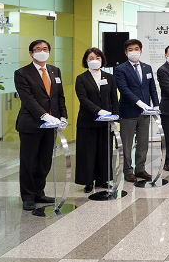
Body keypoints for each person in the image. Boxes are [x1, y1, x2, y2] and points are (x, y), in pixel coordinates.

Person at [14, 39, 68, 211]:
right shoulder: (22, 73)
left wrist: (63, 116)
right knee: (29, 162)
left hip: (51, 125)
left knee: (45, 161)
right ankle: (28, 196)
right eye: (38, 49)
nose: (42, 51)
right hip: (31, 124)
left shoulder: (54, 70)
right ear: (31, 53)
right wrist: (44, 115)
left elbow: (59, 96)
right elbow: (27, 99)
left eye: (45, 49)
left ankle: (39, 192)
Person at [75, 47, 119, 193]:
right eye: (91, 58)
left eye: (97, 58)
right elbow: (83, 99)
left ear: (102, 59)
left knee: (104, 151)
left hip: (106, 121)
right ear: (86, 61)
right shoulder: (81, 78)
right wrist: (98, 111)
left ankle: (103, 179)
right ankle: (88, 181)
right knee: (87, 152)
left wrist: (115, 117)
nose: (95, 60)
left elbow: (114, 98)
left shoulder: (109, 77)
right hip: (88, 121)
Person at [114, 39, 159, 183]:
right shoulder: (120, 69)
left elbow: (152, 88)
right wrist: (138, 102)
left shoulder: (147, 67)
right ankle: (128, 171)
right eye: (131, 49)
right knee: (127, 144)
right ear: (126, 52)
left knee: (143, 142)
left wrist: (156, 105)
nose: (134, 52)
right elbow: (123, 89)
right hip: (129, 111)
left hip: (145, 112)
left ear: (141, 50)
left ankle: (140, 168)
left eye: (136, 49)